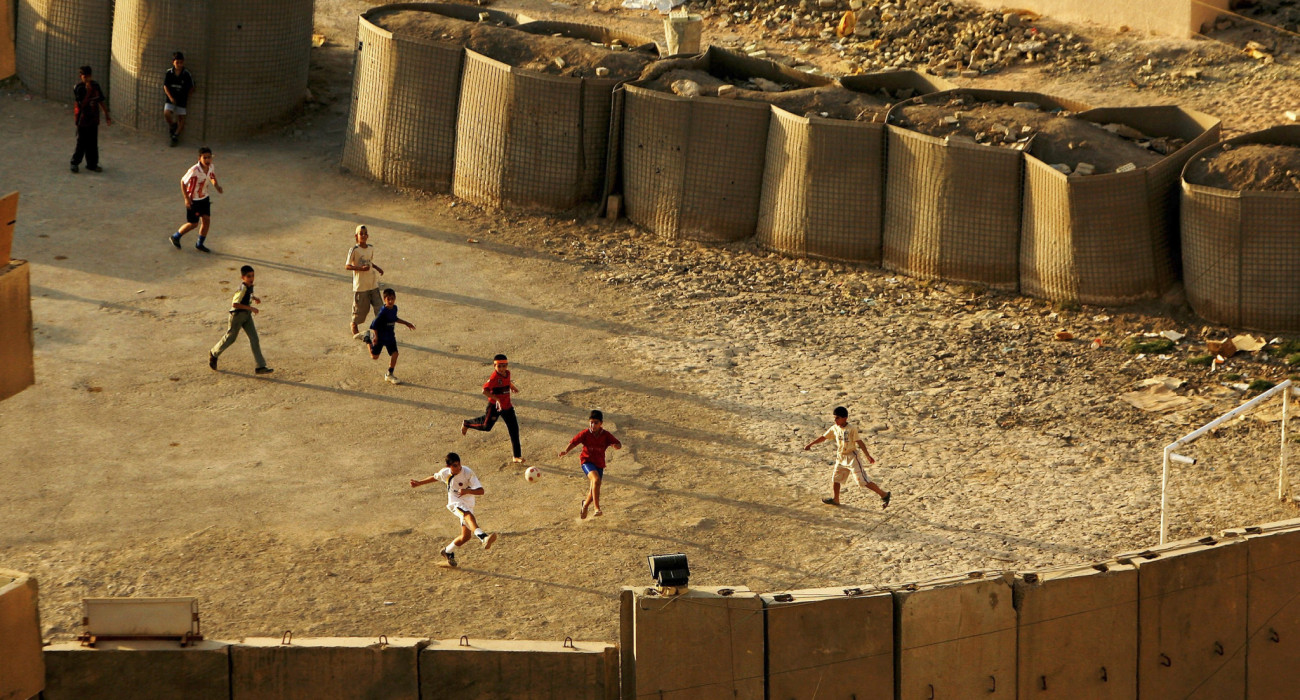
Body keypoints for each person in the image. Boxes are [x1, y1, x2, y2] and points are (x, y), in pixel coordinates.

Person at [410, 452, 498, 568]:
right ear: (449, 466)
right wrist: (419, 483)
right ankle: (483, 537)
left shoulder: (467, 472)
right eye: (455, 465)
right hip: (455, 503)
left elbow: (481, 491)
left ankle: (447, 551)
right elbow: (435, 477)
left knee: (466, 537)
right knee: (468, 516)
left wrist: (467, 491)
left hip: (469, 504)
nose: (458, 467)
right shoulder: (445, 473)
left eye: (459, 464)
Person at [803, 406, 890, 508]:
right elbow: (823, 437)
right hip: (841, 457)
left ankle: (884, 494)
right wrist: (811, 444)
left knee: (862, 481)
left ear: (845, 418)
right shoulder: (834, 428)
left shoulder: (851, 429)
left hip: (852, 457)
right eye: (835, 418)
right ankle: (836, 499)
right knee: (836, 479)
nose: (835, 420)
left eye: (837, 418)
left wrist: (867, 455)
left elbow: (859, 442)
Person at [209, 265, 273, 375]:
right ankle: (214, 353)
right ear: (242, 277)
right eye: (248, 276)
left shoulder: (249, 286)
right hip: (237, 316)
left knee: (254, 339)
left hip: (246, 315)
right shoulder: (242, 288)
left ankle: (260, 366)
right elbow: (235, 304)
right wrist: (251, 308)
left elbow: (247, 295)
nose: (251, 278)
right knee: (230, 338)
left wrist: (254, 298)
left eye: (252, 275)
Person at [559, 409, 622, 519]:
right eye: (591, 422)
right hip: (587, 462)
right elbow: (574, 441)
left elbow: (618, 444)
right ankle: (597, 508)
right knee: (596, 480)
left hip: (599, 464)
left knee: (594, 490)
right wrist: (566, 451)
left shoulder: (606, 435)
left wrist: (616, 446)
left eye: (596, 423)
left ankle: (585, 505)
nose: (593, 425)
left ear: (601, 423)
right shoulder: (585, 433)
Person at [461, 354, 524, 463]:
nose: (502, 369)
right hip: (494, 407)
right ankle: (467, 423)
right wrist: (497, 399)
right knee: (486, 426)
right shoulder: (494, 377)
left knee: (514, 430)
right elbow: (484, 391)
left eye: (504, 366)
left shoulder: (507, 373)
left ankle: (516, 456)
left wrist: (512, 387)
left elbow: (507, 381)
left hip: (507, 406)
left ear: (507, 366)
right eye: (499, 366)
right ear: (494, 366)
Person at [170, 147, 223, 253]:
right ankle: (176, 236)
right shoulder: (194, 170)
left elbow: (212, 176)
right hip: (194, 200)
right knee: (193, 224)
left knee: (206, 220)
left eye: (209, 157)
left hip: (204, 198)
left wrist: (216, 186)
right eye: (205, 158)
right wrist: (186, 198)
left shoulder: (211, 167)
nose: (207, 160)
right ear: (200, 158)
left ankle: (200, 244)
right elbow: (183, 182)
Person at [358, 288, 414, 384]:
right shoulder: (382, 312)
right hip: (380, 337)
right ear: (385, 300)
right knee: (374, 356)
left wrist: (406, 323)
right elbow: (374, 324)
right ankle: (367, 338)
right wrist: (376, 337)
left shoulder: (394, 308)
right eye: (389, 299)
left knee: (395, 354)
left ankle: (389, 374)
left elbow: (394, 318)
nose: (391, 301)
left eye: (392, 298)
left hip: (390, 337)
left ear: (395, 298)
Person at [70, 66, 111, 173]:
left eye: (89, 76)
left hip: (93, 119)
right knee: (81, 143)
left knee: (92, 143)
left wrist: (106, 114)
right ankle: (75, 162)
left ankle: (92, 164)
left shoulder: (95, 85)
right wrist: (88, 92)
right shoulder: (79, 88)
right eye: (85, 76)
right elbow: (82, 105)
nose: (87, 79)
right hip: (83, 120)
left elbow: (100, 101)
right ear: (81, 76)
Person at [345, 225, 384, 336]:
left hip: (372, 283)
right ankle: (354, 324)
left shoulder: (370, 248)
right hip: (361, 286)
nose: (363, 235)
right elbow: (347, 266)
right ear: (356, 236)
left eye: (365, 233)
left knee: (379, 307)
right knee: (361, 308)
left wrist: (377, 268)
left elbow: (369, 262)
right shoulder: (354, 250)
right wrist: (360, 269)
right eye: (360, 233)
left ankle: (379, 329)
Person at [163, 52, 195, 147]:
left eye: (181, 62)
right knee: (167, 113)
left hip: (182, 99)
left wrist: (186, 96)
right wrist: (171, 97)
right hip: (171, 98)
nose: (179, 65)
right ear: (173, 62)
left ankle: (175, 136)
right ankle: (173, 125)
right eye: (177, 62)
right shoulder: (169, 73)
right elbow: (165, 86)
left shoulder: (186, 74)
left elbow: (192, 87)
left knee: (181, 119)